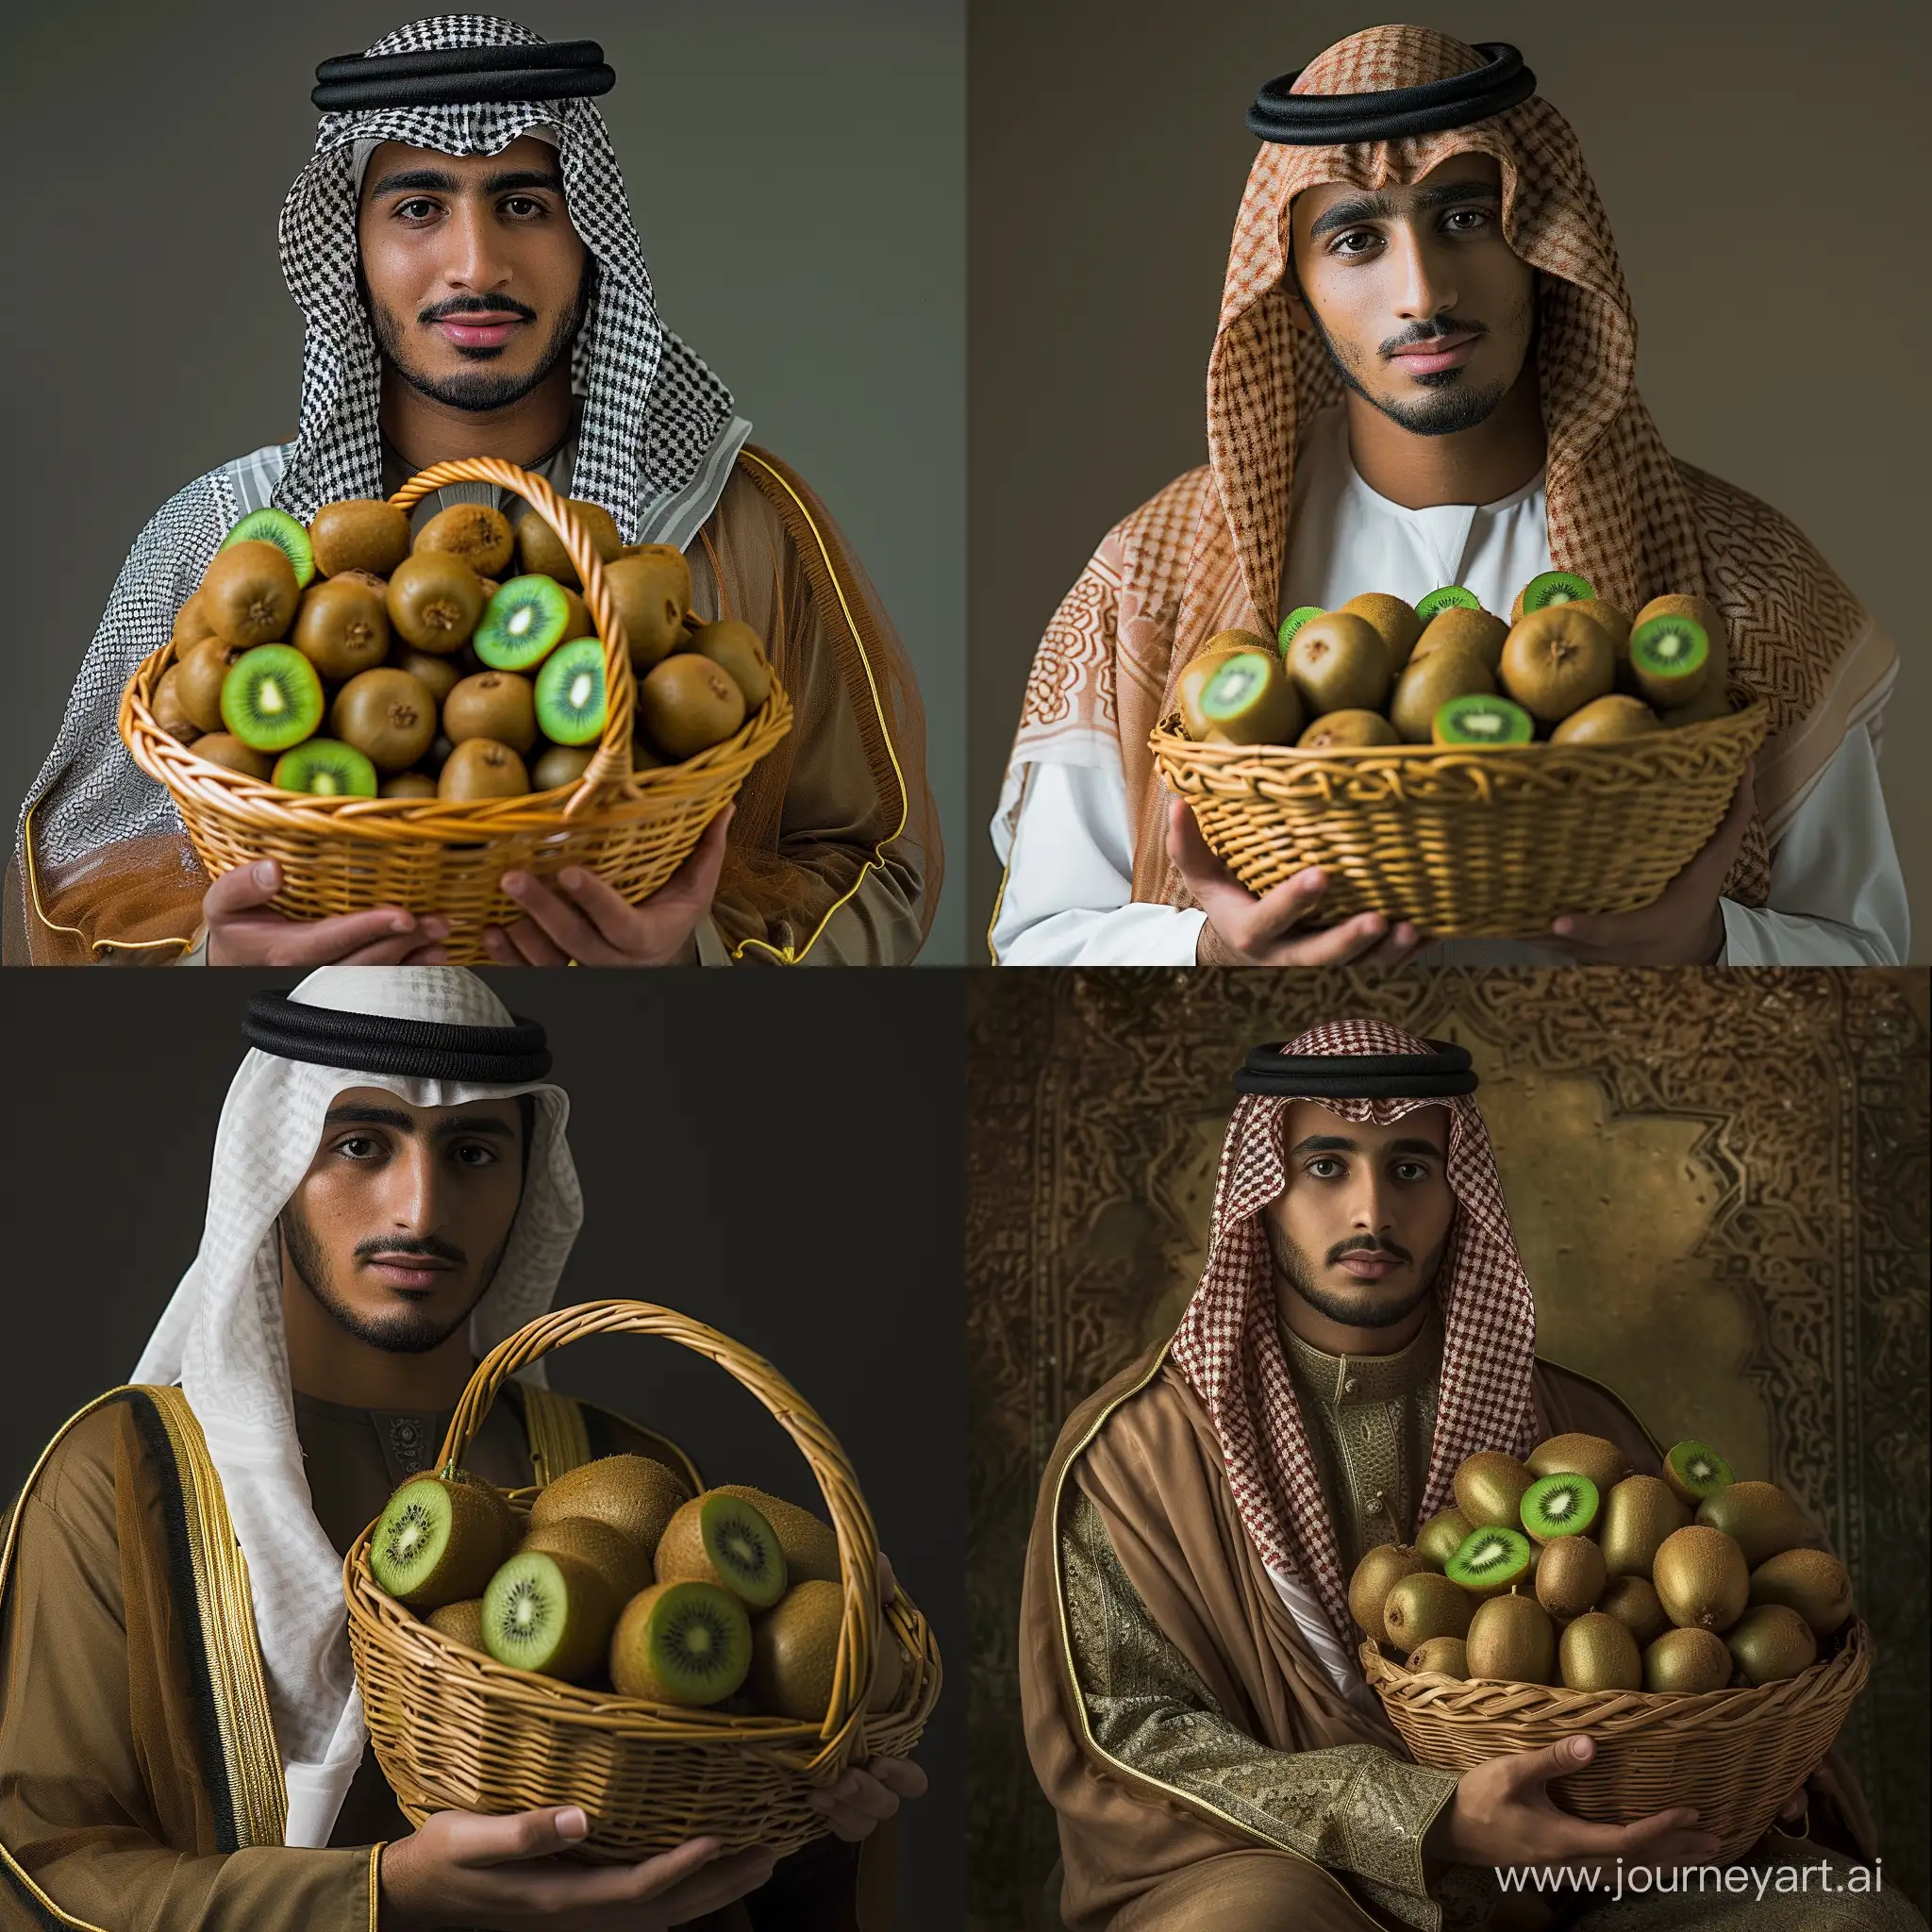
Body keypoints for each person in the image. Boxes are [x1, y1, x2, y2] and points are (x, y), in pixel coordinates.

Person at [0, 968, 925, 1929]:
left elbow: (709, 1829)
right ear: (272, 1162)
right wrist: (380, 1897)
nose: (419, 1209)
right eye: (360, 1143)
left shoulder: (632, 1479)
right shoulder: (116, 1476)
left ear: (526, 1180)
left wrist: (820, 1812)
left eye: (473, 1150)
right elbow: (43, 1866)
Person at [6, 15, 938, 968]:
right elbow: (70, 886)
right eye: (418, 208)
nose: (477, 266)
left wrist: (687, 959)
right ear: (349, 245)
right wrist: (214, 963)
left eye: (524, 205)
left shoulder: (740, 519)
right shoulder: (211, 535)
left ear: (589, 236)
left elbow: (878, 871)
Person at [991, 26, 1907, 969]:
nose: (1421, 292)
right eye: (1354, 239)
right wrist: (1205, 952)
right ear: (1292, 285)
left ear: (1544, 248)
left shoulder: (1743, 575)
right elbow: (1039, 941)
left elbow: (1865, 953)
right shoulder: (1151, 578)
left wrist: (1711, 942)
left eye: (1463, 220)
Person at [1018, 1021, 1914, 1931]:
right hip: (1288, 1875)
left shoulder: (1577, 1429)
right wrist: (1428, 1817)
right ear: (1262, 1194)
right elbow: (1131, 1732)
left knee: (1839, 1918)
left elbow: (1693, 1668)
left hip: (1574, 1884)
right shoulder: (1137, 1453)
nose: (1372, 1211)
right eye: (1327, 1166)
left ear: (1459, 1194)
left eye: (1410, 1168)